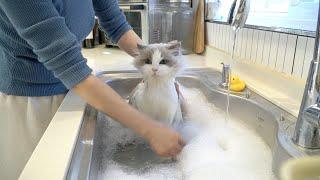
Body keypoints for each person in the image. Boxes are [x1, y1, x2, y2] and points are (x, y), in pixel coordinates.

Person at [0, 0, 186, 179]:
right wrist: (150, 130)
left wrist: (162, 74)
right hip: (30, 101)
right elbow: (67, 63)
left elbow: (115, 23)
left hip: (75, 89)